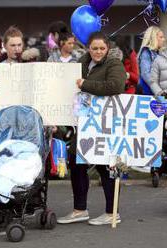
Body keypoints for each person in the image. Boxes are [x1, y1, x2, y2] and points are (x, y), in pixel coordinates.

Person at [57, 31, 126, 226]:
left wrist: (86, 84)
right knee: (75, 161)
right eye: (94, 48)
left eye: (102, 48)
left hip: (106, 124)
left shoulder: (114, 63)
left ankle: (112, 212)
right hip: (85, 122)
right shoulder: (81, 64)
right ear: (88, 48)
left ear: (108, 48)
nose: (98, 52)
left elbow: (116, 85)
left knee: (106, 167)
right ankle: (80, 209)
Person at [137, 26, 165, 95]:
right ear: (154, 38)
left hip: (154, 92)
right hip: (148, 92)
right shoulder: (146, 52)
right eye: (161, 37)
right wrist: (158, 89)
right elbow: (146, 74)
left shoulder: (158, 53)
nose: (163, 39)